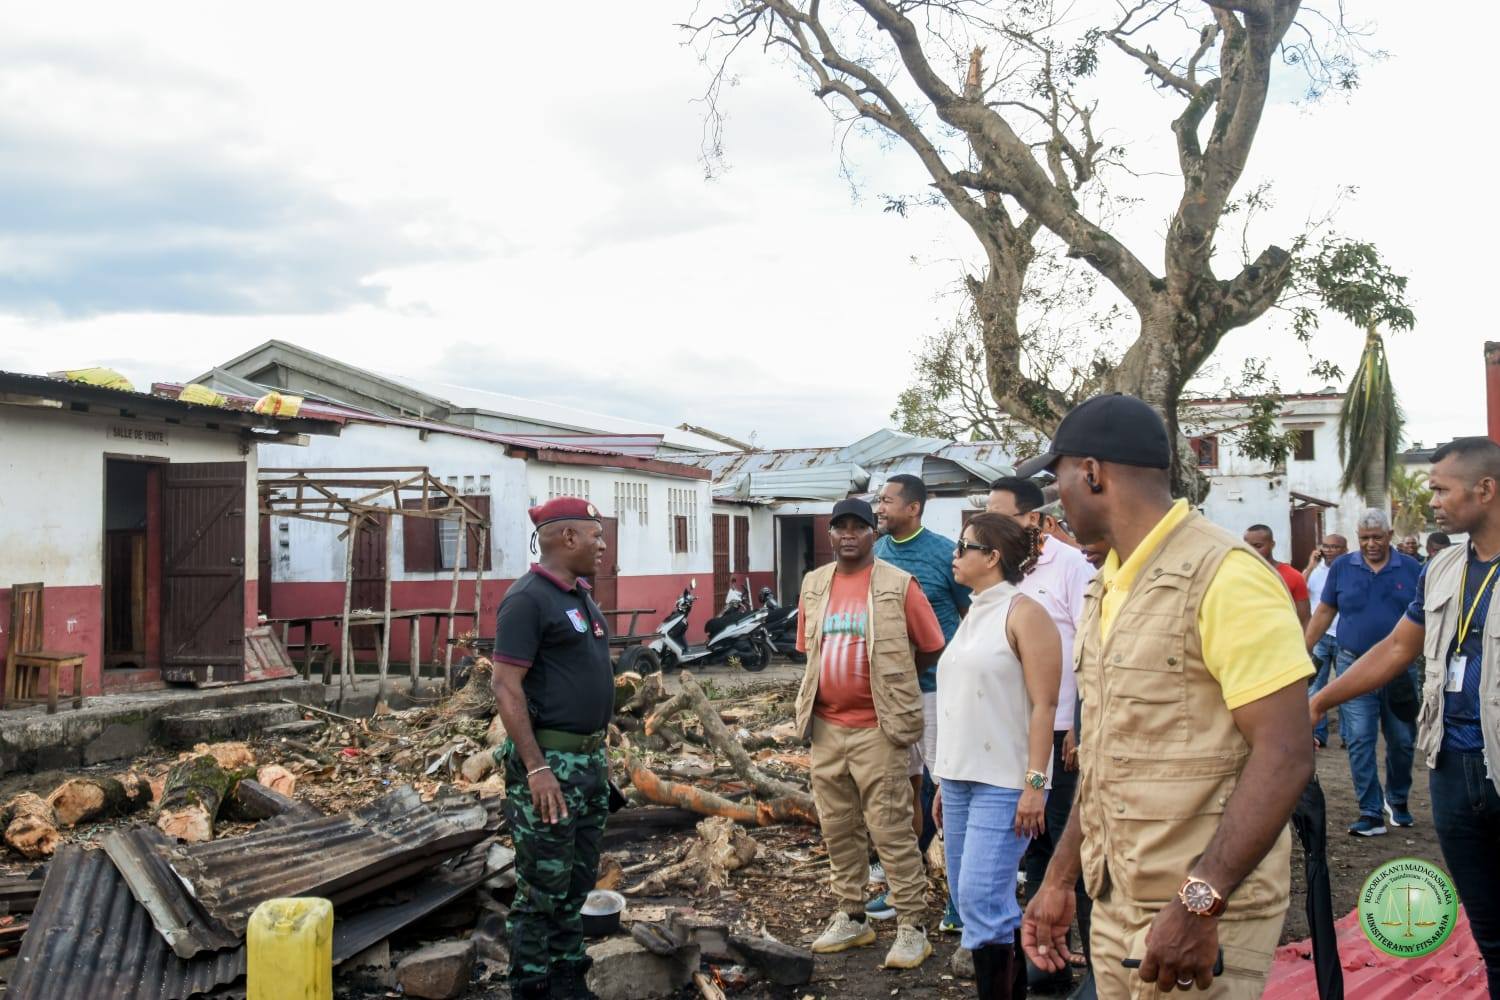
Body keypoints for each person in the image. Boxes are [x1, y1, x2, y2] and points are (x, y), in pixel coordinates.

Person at [1016, 393, 1314, 998]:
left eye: (1059, 477)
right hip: (1116, 902)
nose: (1055, 498)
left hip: (1200, 915)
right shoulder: (1109, 586)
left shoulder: (1225, 575)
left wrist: (1199, 903)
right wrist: (1061, 877)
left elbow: (1285, 754)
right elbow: (1105, 763)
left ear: (1092, 473)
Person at [1310, 437, 1500, 994]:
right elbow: (1397, 647)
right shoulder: (1441, 568)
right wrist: (1319, 701)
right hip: (1452, 767)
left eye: (1441, 489)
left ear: (1486, 489)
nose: (1432, 501)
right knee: (1491, 935)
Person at [796, 497, 947, 970]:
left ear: (872, 534)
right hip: (826, 728)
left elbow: (931, 646)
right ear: (830, 534)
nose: (847, 535)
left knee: (891, 829)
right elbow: (808, 650)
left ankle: (912, 927)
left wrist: (893, 680)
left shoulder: (899, 584)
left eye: (857, 527)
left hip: (879, 730)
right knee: (838, 827)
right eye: (839, 527)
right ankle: (852, 915)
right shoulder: (814, 584)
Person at [933, 513, 1061, 999]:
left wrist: (1035, 784)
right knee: (970, 901)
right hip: (960, 780)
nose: (954, 555)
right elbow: (963, 704)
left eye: (963, 546)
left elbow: (1045, 706)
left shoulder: (1025, 613)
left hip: (1004, 782)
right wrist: (944, 780)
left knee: (982, 899)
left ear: (992, 557)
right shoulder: (974, 613)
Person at [492, 498, 615, 1000]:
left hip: (587, 764)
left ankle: (568, 976)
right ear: (567, 538)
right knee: (543, 885)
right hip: (552, 768)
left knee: (576, 882)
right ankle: (532, 984)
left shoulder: (579, 596)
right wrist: (536, 768)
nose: (602, 545)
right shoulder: (528, 599)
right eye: (596, 536)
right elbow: (505, 686)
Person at [988, 476, 1096, 992]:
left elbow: (1090, 648)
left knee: (1074, 847)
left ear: (1033, 518)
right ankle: (1047, 963)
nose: (990, 523)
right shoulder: (1003, 569)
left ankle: (1097, 970)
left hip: (1062, 734)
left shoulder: (1071, 565)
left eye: (1000, 514)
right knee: (1031, 846)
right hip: (1019, 732)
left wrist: (1078, 723)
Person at [873, 474, 971, 929]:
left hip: (936, 690)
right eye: (879, 500)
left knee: (948, 792)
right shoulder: (877, 553)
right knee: (903, 791)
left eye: (887, 501)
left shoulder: (945, 554)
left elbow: (970, 615)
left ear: (913, 508)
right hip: (891, 693)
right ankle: (904, 889)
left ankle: (959, 899)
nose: (879, 507)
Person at [1304, 509, 1421, 836]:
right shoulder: (1342, 567)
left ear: (1390, 535)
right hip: (1352, 665)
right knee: (1359, 738)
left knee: (1402, 741)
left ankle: (1397, 800)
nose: (1371, 544)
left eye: (1377, 537)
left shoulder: (1412, 569)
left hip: (1399, 670)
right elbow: (1324, 611)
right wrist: (1304, 649)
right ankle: (1370, 811)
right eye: (1365, 538)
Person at [1302, 534, 1349, 748]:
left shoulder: (1349, 570)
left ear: (1345, 549)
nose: (1329, 550)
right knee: (1315, 687)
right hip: (1320, 637)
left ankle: (1348, 736)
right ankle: (1318, 735)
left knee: (1345, 688)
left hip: (1343, 637)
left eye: (1334, 547)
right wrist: (1311, 565)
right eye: (1326, 546)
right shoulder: (1316, 571)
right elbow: (1299, 587)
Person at [1244, 524, 1311, 626]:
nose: (1251, 550)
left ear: (1272, 544)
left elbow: (1304, 619)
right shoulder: (1240, 573)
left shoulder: (1293, 576)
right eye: (1247, 546)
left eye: (1258, 546)